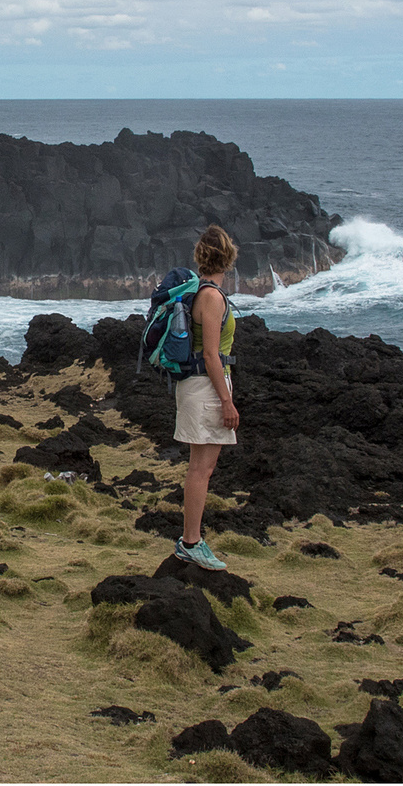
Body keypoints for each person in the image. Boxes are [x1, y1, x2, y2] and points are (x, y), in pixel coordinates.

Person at [172, 225, 239, 571]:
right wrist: (227, 401)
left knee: (201, 467)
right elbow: (211, 355)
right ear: (227, 258)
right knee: (202, 469)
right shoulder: (212, 297)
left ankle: (191, 539)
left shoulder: (201, 291)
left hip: (199, 386)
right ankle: (191, 542)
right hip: (206, 388)